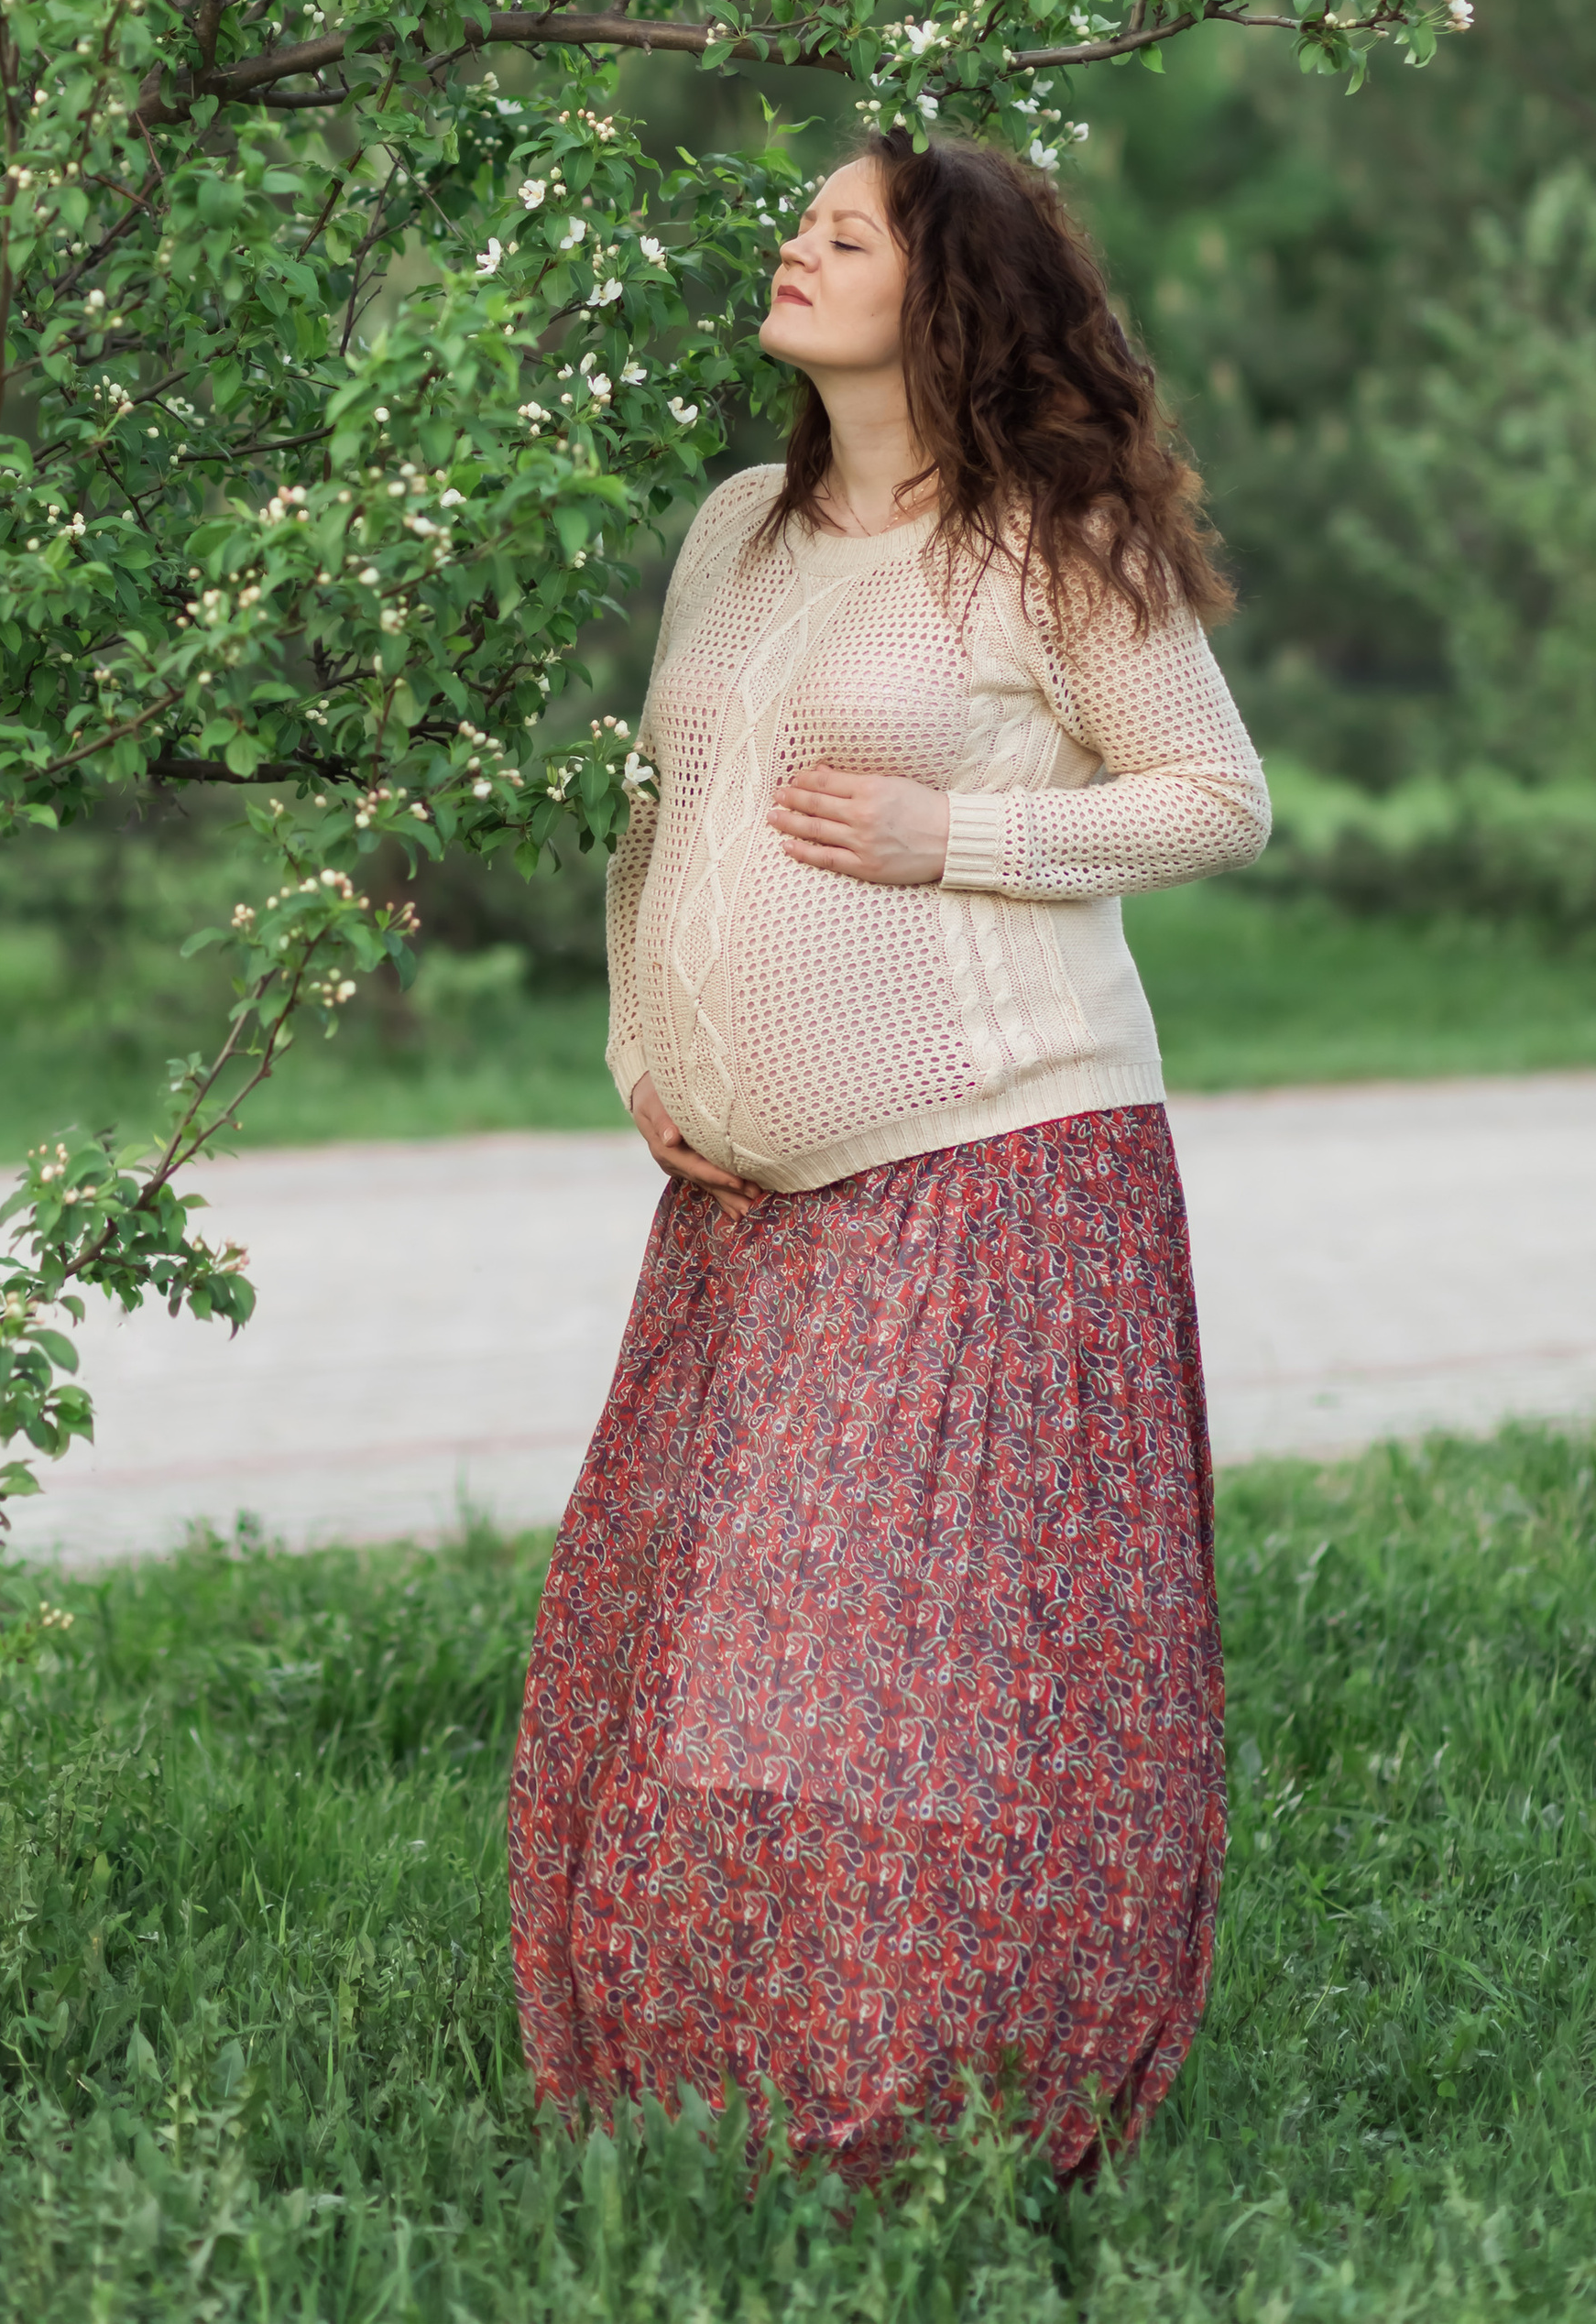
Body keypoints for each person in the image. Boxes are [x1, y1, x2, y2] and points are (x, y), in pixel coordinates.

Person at [508, 127, 1270, 2181]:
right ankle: (714, 2083)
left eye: (839, 232)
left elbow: (1212, 798)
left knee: (898, 1668)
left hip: (994, 1168)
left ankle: (940, 2105)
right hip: (736, 1205)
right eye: (798, 222)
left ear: (944, 295)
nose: (792, 246)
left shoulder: (1047, 538)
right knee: (711, 1652)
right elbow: (656, 811)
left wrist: (968, 837)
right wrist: (637, 1047)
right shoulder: (732, 527)